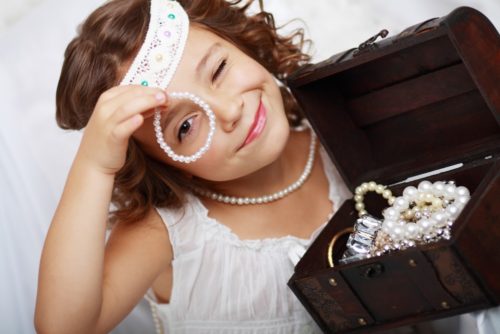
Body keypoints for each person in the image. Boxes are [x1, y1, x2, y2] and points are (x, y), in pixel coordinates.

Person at [34, 0, 351, 333]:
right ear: (162, 164)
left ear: (241, 43)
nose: (230, 110)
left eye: (218, 70)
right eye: (185, 126)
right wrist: (95, 166)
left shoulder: (342, 137)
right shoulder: (167, 233)